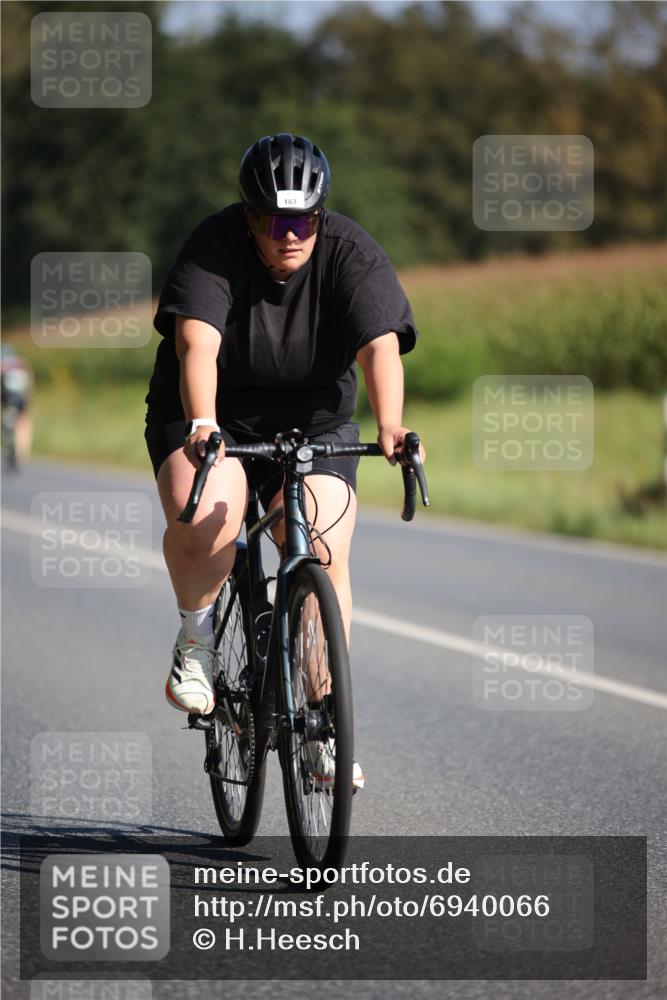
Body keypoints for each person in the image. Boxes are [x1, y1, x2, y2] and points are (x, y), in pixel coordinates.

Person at [145, 133, 421, 789]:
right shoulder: (214, 246)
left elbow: (379, 347)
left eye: (302, 220)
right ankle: (194, 638)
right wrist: (205, 423)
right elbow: (195, 342)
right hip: (212, 414)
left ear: (319, 216)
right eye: (274, 221)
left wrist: (390, 426)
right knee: (208, 516)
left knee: (323, 554)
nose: (289, 234)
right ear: (249, 217)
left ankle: (322, 723)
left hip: (314, 421)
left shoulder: (350, 253)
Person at [1, 344, 33, 467]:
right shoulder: (21, 364)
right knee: (23, 423)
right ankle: (23, 452)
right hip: (21, 399)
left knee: (8, 424)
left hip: (9, 399)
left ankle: (11, 447)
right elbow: (29, 382)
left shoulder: (3, 366)